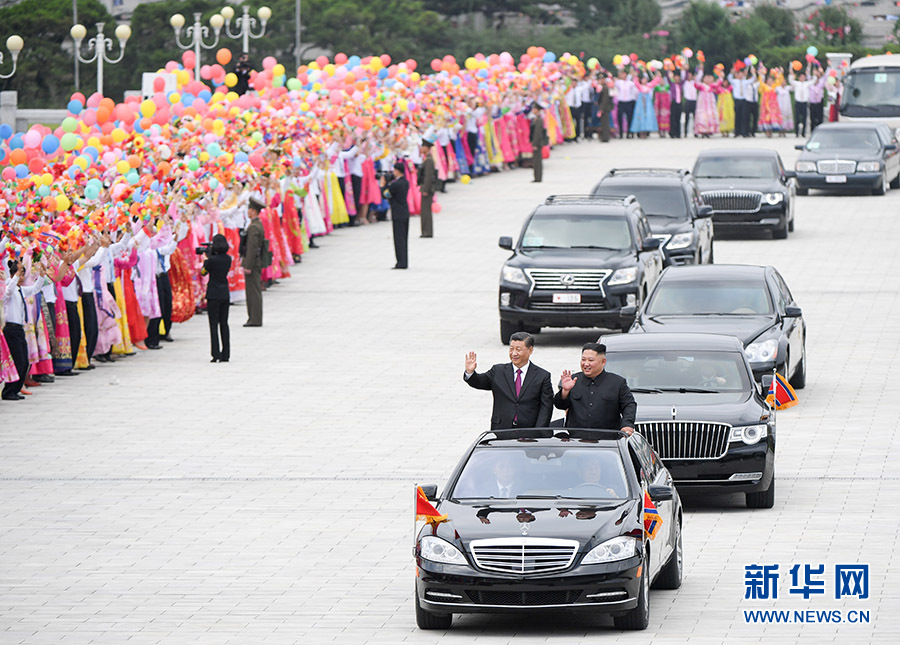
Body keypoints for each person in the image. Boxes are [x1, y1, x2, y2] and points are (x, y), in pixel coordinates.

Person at [463, 331, 553, 430]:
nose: (514, 353)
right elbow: (479, 382)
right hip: (502, 429)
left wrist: (539, 431)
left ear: (530, 350)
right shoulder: (498, 371)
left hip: (529, 431)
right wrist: (470, 372)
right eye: (511, 349)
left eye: (518, 349)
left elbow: (546, 407)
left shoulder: (542, 376)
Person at [553, 342, 636, 433]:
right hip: (576, 439)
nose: (586, 364)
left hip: (607, 439)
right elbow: (559, 405)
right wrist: (565, 391)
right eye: (583, 360)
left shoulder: (617, 383)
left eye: (591, 360)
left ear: (603, 362)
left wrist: (627, 425)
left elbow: (629, 405)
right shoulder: (573, 380)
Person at [3, 260, 46, 401]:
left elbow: (35, 289)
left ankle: (15, 390)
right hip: (11, 329)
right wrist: (16, 275)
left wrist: (41, 276)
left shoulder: (21, 290)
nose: (22, 278)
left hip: (19, 329)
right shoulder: (8, 288)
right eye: (20, 275)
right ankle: (8, 391)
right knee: (18, 361)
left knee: (24, 362)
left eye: (22, 275)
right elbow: (9, 290)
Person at [202, 234, 232, 362]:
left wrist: (207, 258)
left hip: (213, 294)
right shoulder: (228, 259)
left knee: (213, 324)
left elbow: (204, 272)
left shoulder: (212, 261)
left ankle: (215, 353)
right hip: (225, 293)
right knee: (224, 323)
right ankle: (226, 354)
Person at [241, 199, 265, 327]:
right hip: (256, 262)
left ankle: (255, 318)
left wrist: (248, 265)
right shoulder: (256, 224)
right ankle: (254, 317)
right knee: (253, 290)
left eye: (249, 209)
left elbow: (252, 248)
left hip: (253, 263)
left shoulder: (254, 227)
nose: (248, 212)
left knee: (253, 291)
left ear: (254, 211)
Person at [383, 162, 409, 269]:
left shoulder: (396, 185)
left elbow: (386, 194)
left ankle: (400, 262)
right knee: (404, 238)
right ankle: (404, 261)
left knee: (398, 239)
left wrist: (383, 185)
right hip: (405, 212)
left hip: (397, 214)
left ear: (397, 171)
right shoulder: (406, 182)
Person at [417, 139, 436, 238]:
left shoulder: (429, 160)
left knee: (426, 211)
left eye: (423, 146)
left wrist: (425, 189)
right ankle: (425, 230)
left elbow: (428, 176)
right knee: (424, 211)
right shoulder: (426, 158)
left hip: (427, 189)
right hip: (425, 187)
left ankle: (427, 231)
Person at [529, 103, 547, 183]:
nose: (532, 110)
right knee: (535, 160)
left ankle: (538, 177)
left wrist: (535, 144)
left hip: (538, 143)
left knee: (537, 160)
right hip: (536, 142)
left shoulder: (539, 120)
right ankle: (536, 176)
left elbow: (538, 133)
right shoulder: (535, 119)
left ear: (537, 110)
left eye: (534, 109)